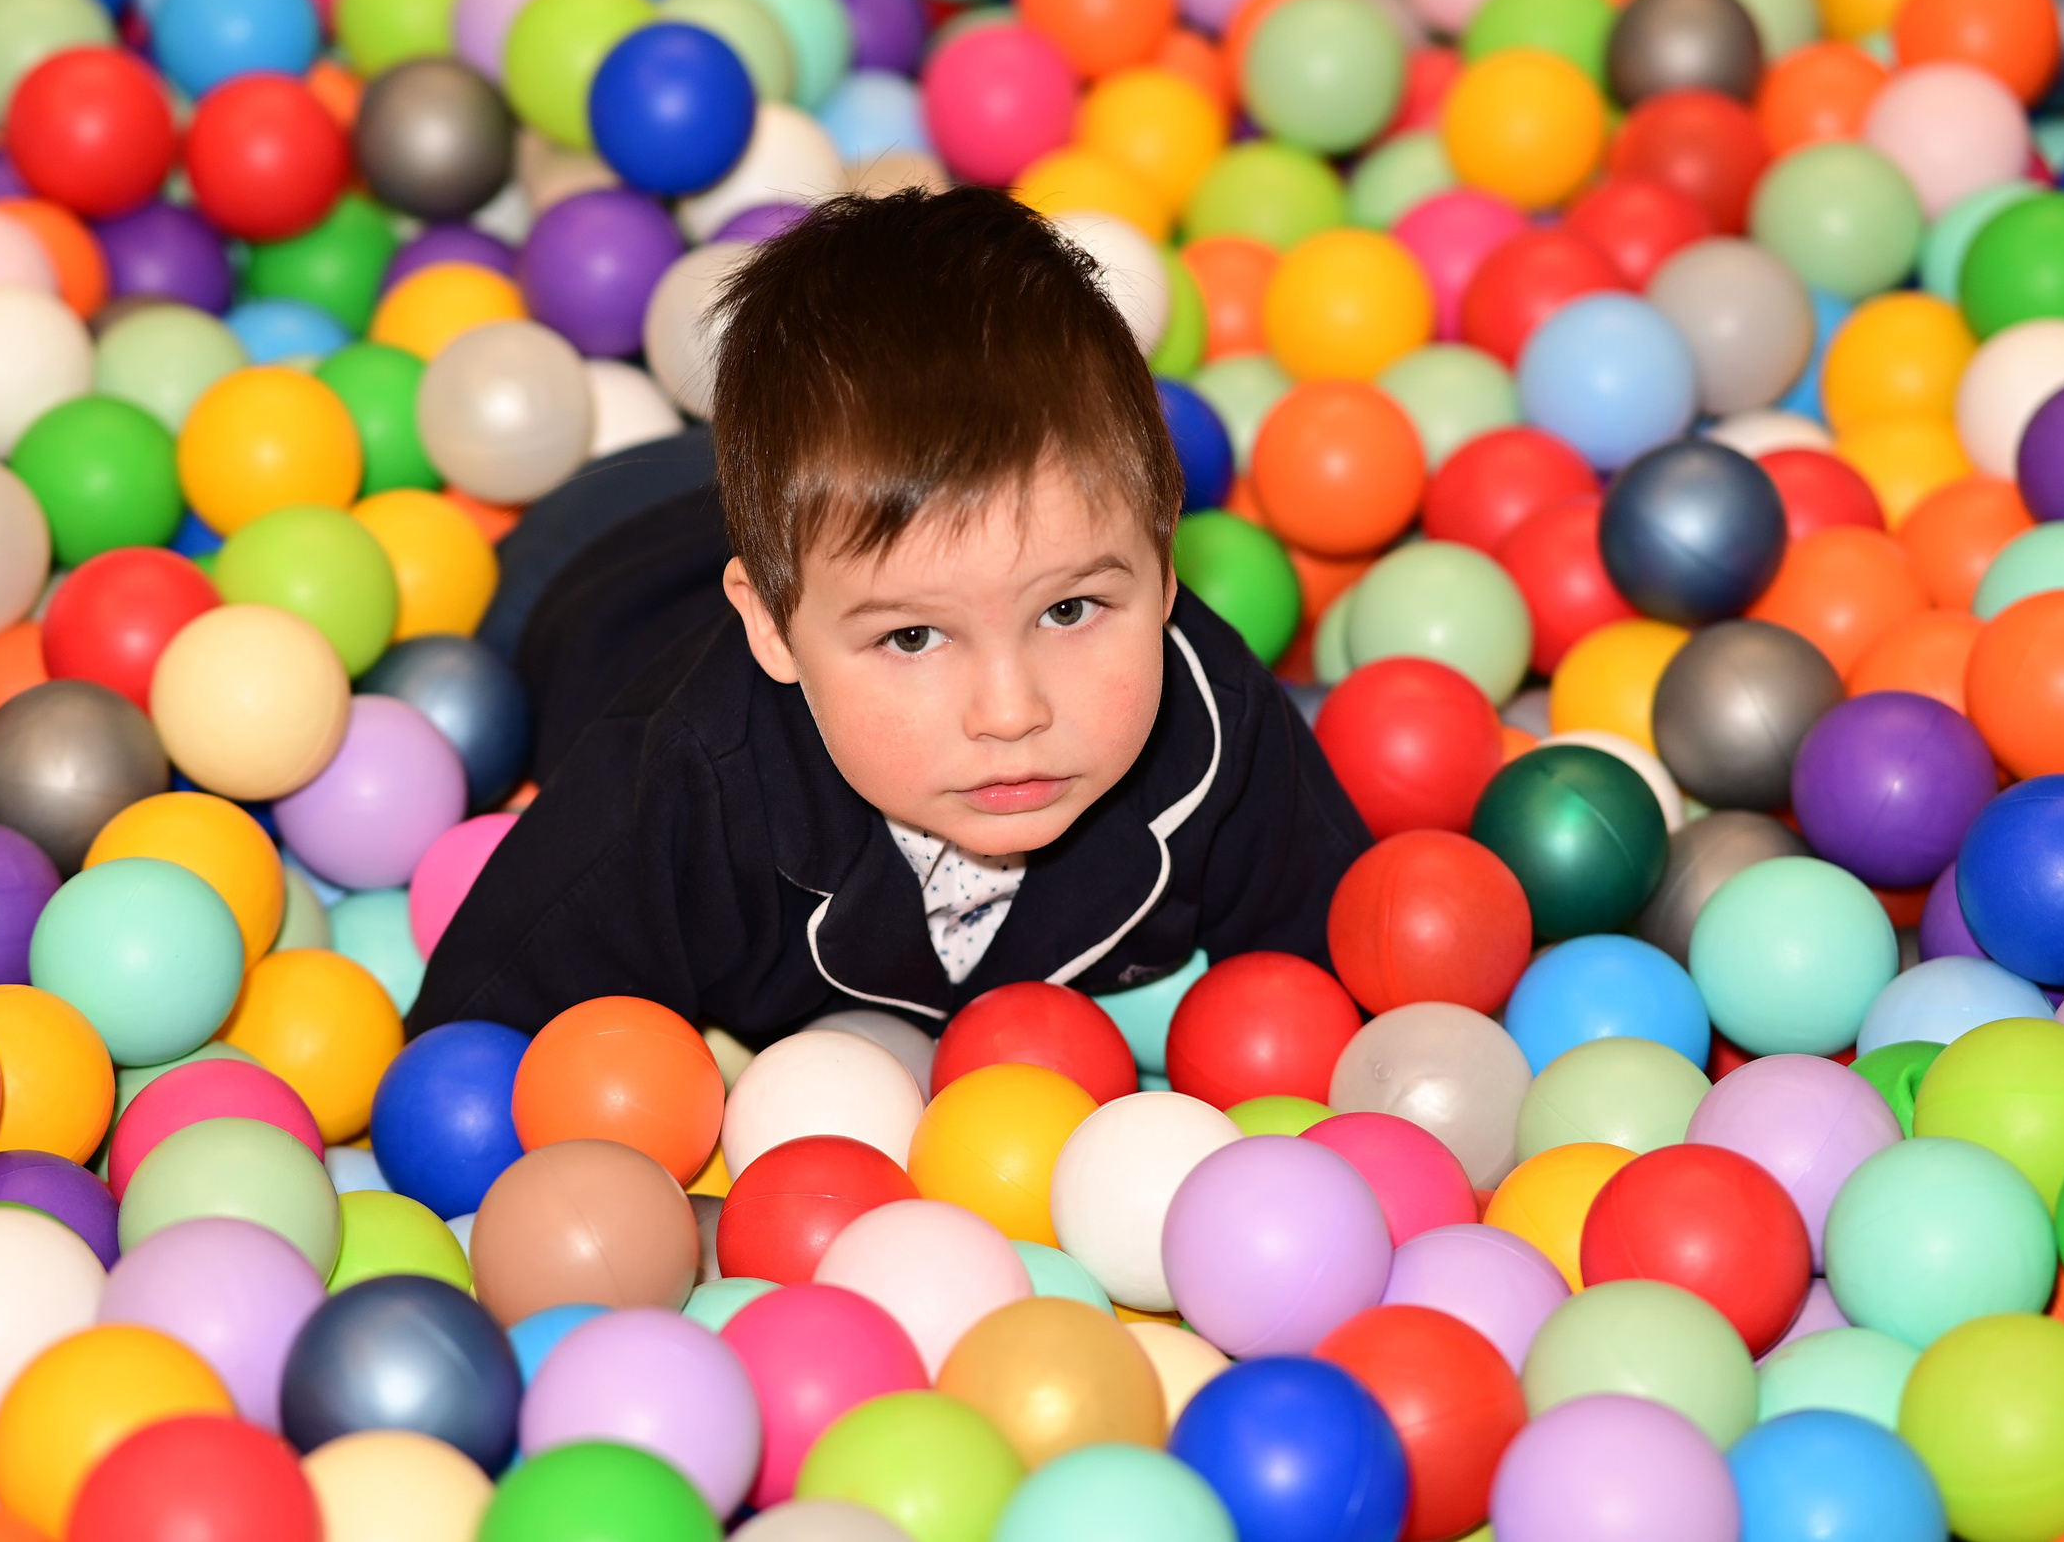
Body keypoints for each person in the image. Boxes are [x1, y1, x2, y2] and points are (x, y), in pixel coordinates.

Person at [408, 187, 1370, 1041]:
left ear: (1164, 575)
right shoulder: (681, 790)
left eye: (1069, 608)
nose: (1010, 711)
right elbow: (465, 1057)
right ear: (771, 631)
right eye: (913, 636)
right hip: (604, 556)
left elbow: (1354, 989)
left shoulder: (1219, 724)